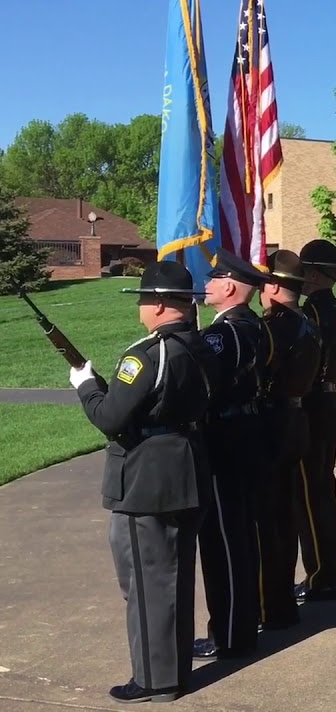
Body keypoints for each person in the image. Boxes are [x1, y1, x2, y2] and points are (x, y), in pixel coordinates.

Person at [69, 260, 218, 703]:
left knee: (145, 579)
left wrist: (85, 386)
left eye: (143, 299)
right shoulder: (201, 347)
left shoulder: (145, 355)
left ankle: (155, 680)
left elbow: (111, 417)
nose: (141, 307)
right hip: (188, 467)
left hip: (147, 480)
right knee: (173, 577)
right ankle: (174, 669)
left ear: (156, 305)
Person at [192, 253, 272, 663]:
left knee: (224, 540)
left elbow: (202, 381)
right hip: (245, 432)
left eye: (213, 278)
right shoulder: (252, 323)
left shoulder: (224, 332)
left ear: (229, 286)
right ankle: (240, 625)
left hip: (225, 436)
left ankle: (229, 634)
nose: (206, 284)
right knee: (239, 535)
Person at [256, 251, 322, 631]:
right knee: (284, 517)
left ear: (275, 286)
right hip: (296, 420)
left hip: (274, 422)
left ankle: (271, 606)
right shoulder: (307, 324)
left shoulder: (275, 327)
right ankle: (280, 604)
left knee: (270, 522)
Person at [295, 239, 336, 603]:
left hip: (312, 406)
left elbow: (307, 365)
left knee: (310, 498)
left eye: (304, 271)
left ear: (315, 274)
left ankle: (321, 575)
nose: (300, 278)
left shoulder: (312, 314)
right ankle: (328, 572)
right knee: (322, 494)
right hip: (330, 403)